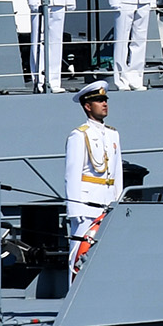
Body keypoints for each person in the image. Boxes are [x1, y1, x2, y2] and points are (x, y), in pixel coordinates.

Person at [64, 81, 121, 274]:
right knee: (79, 254)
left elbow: (117, 172)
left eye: (105, 99)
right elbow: (72, 174)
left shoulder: (113, 134)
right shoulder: (79, 135)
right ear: (88, 106)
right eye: (98, 100)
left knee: (104, 254)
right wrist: (75, 209)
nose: (104, 103)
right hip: (86, 205)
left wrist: (117, 202)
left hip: (107, 202)